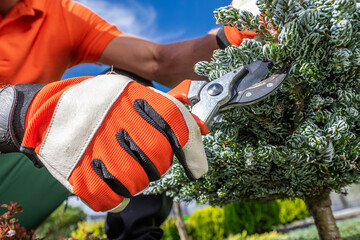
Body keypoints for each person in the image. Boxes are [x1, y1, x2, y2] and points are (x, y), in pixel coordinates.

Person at [0, 0, 257, 238]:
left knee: (129, 95)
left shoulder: (56, 14)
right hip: (13, 151)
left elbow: (155, 60)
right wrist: (24, 109)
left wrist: (233, 34)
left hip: (27, 176)